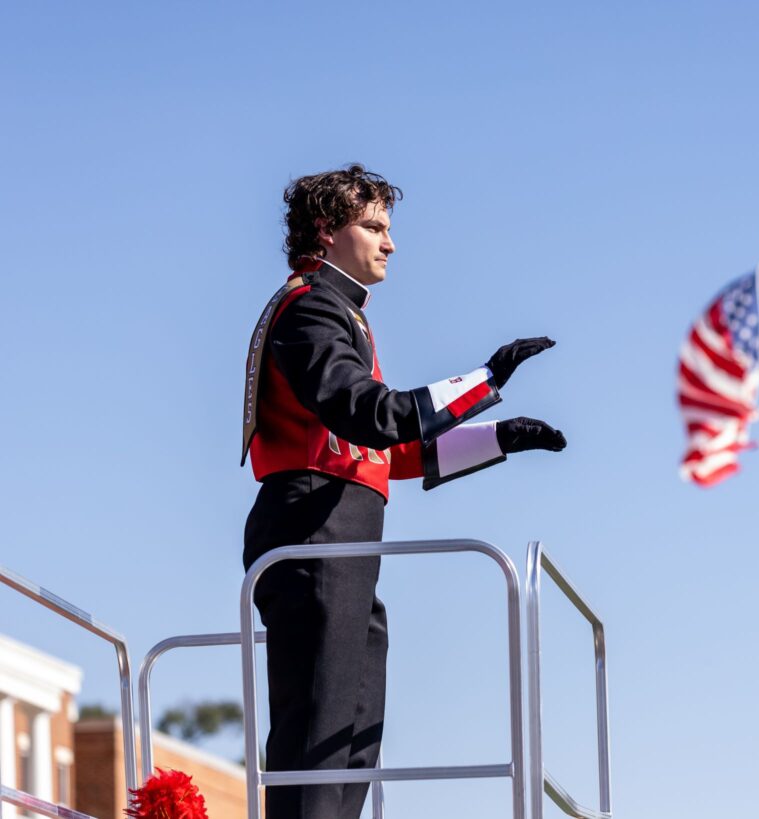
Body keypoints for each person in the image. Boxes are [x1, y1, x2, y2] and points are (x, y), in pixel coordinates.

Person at [241, 164, 566, 819]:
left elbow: (385, 450)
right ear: (327, 231)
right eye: (374, 226)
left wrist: (501, 437)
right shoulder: (309, 310)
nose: (389, 243)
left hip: (344, 540)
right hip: (312, 531)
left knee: (354, 729)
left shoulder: (343, 316)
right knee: (316, 736)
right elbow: (368, 413)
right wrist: (481, 380)